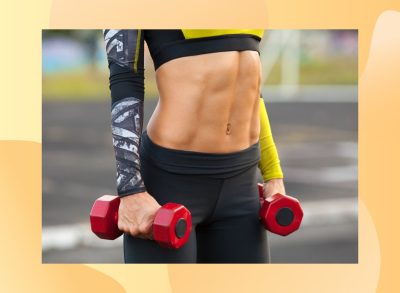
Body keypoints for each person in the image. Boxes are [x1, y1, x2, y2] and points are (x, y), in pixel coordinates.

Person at [103, 29, 285, 263]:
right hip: (171, 183)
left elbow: (249, 84)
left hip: (242, 181)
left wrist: (273, 174)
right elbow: (125, 80)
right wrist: (130, 190)